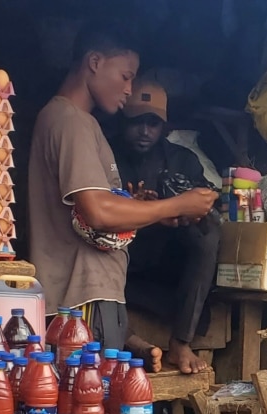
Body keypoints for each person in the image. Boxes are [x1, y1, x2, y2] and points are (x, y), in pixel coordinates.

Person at [28, 23, 217, 363]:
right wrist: (175, 204)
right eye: (126, 75)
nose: (129, 89)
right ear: (96, 62)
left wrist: (139, 209)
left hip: (84, 298)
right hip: (81, 300)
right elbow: (97, 213)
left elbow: (92, 208)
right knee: (86, 410)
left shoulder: (69, 120)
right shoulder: (72, 123)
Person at [111, 81, 218, 374]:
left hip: (164, 273)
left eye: (153, 123)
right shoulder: (105, 155)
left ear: (164, 127)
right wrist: (135, 209)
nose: (145, 131)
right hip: (119, 269)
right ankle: (133, 343)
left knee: (208, 236)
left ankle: (181, 343)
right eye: (137, 122)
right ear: (123, 121)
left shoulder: (183, 160)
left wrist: (187, 214)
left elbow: (207, 203)